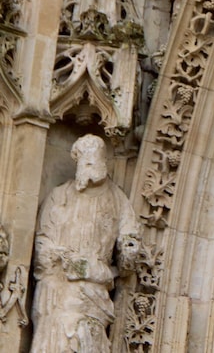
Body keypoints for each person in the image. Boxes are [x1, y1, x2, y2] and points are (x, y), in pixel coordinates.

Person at [30, 134, 141, 352]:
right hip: (57, 291)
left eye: (94, 159)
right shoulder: (59, 196)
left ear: (104, 161)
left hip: (94, 290)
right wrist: (59, 257)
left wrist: (129, 249)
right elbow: (43, 243)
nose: (90, 164)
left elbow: (130, 238)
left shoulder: (117, 199)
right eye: (85, 160)